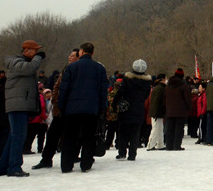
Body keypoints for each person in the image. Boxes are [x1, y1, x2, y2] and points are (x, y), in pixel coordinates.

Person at [58, 42, 109, 173]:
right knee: (88, 136)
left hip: (72, 108)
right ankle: (85, 164)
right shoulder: (99, 69)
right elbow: (103, 91)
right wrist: (101, 108)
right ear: (92, 53)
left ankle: (66, 165)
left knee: (69, 137)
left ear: (81, 52)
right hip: (91, 108)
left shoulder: (71, 68)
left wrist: (61, 106)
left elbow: (64, 89)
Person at [0, 40, 45, 177]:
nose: (36, 53)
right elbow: (30, 68)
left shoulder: (20, 62)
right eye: (34, 51)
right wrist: (38, 58)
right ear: (26, 50)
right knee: (19, 136)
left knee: (14, 137)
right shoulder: (16, 63)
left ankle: (2, 167)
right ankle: (14, 167)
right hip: (17, 104)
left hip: (20, 104)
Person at [114, 59, 152, 161]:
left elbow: (120, 93)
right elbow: (146, 96)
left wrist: (115, 104)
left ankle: (122, 152)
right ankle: (132, 154)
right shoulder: (147, 83)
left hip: (126, 109)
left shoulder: (127, 80)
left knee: (123, 132)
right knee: (135, 133)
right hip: (139, 109)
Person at [164, 68, 191, 151]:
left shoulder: (168, 86)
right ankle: (177, 145)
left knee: (169, 129)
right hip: (180, 111)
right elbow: (187, 98)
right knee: (179, 129)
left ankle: (169, 145)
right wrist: (189, 107)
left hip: (169, 111)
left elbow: (164, 98)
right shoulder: (183, 86)